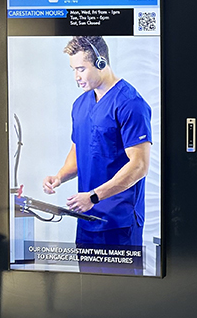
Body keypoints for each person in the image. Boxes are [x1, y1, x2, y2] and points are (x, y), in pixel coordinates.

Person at [41, 35, 152, 274]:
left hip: (118, 222)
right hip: (87, 220)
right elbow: (79, 150)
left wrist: (93, 197)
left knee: (121, 298)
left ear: (101, 62)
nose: (76, 77)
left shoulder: (130, 104)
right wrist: (59, 176)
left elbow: (139, 165)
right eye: (73, 69)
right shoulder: (80, 104)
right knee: (90, 295)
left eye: (81, 68)